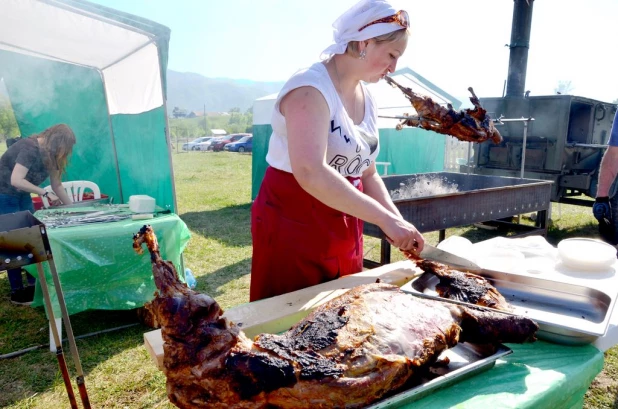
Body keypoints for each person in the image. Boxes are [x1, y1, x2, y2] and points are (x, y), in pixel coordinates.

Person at [250, 0, 424, 301]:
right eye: (391, 55)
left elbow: (367, 172)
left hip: (345, 219)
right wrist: (384, 220)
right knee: (289, 322)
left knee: (340, 314)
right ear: (364, 43)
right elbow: (310, 172)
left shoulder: (368, 97)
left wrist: (396, 221)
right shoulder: (309, 87)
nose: (393, 67)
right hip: (294, 220)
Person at [0, 124, 76, 305]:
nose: (66, 153)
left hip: (21, 193)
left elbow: (57, 185)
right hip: (3, 193)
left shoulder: (52, 155)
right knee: (13, 241)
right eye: (66, 148)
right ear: (57, 142)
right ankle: (17, 291)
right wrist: (43, 192)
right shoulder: (29, 147)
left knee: (32, 238)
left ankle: (34, 285)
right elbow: (16, 180)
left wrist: (74, 209)